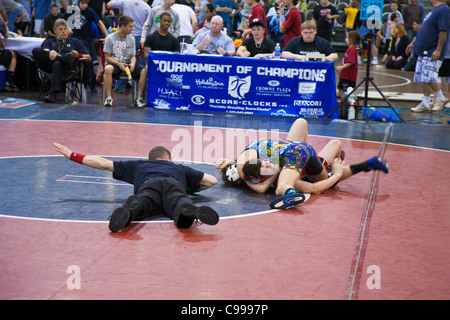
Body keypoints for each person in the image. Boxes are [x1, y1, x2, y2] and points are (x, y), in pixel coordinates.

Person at [215, 119, 389, 209]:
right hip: (301, 152)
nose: (268, 164)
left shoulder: (257, 170)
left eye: (265, 164)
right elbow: (314, 188)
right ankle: (369, 163)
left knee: (283, 186)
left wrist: (335, 175)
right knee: (333, 152)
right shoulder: (255, 156)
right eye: (266, 167)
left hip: (296, 154)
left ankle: (291, 193)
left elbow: (314, 189)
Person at [53, 143, 219, 233]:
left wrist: (73, 155)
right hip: (173, 184)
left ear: (150, 158)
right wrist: (186, 189)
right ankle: (186, 208)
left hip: (149, 184)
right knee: (178, 201)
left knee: (143, 201)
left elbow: (103, 164)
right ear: (168, 158)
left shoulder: (139, 165)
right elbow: (211, 181)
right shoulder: (179, 167)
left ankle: (131, 207)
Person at [32, 18, 91, 103]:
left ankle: (53, 94)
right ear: (55, 31)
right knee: (36, 50)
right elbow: (43, 50)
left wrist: (78, 55)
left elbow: (89, 58)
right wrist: (50, 52)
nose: (63, 31)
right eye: (60, 29)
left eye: (65, 29)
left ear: (68, 30)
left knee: (58, 63)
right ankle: (61, 58)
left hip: (67, 68)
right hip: (49, 67)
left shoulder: (75, 41)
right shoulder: (49, 40)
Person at [410, 0, 450, 113]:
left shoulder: (444, 9)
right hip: (423, 50)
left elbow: (443, 31)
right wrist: (414, 44)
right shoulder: (434, 10)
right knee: (422, 76)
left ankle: (440, 97)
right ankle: (426, 102)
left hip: (432, 50)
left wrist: (438, 49)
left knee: (429, 76)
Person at [102, 15, 147, 108]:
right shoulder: (110, 38)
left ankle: (138, 98)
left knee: (144, 70)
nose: (132, 29)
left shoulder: (132, 39)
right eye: (130, 26)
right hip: (115, 63)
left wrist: (133, 63)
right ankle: (109, 98)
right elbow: (107, 57)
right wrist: (119, 64)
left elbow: (133, 56)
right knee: (107, 68)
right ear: (123, 27)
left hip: (127, 64)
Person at [106, 0, 152, 65]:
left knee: (121, 60)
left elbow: (109, 4)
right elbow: (149, 26)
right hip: (139, 37)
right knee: (138, 65)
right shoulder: (147, 7)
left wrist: (121, 6)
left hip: (124, 37)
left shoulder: (126, 2)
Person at [336, 30, 361, 100]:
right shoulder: (351, 49)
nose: (345, 39)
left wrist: (341, 67)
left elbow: (351, 62)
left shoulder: (352, 50)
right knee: (341, 88)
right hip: (344, 75)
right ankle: (343, 102)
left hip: (348, 76)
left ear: (351, 39)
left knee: (347, 90)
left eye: (347, 37)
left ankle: (347, 103)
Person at [0, 18, 18, 92]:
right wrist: (3, 21)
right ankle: (9, 82)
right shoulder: (0, 23)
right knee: (13, 54)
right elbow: (7, 35)